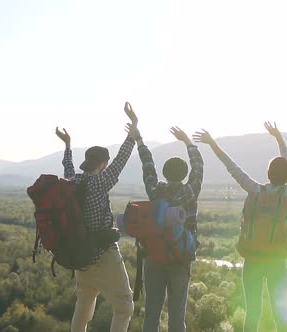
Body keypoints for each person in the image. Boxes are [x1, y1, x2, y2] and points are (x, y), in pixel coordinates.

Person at [193, 122, 287, 332]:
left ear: (268, 173)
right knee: (281, 315)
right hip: (277, 260)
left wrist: (212, 143)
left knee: (253, 313)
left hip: (252, 259)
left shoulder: (255, 190)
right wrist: (278, 137)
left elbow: (232, 168)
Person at [57, 102, 140, 332]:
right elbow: (122, 159)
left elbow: (68, 169)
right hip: (104, 253)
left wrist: (68, 145)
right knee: (124, 307)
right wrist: (134, 127)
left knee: (83, 307)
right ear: (102, 164)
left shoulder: (73, 182)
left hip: (80, 256)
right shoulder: (100, 182)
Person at [128, 115, 203, 332]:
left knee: (152, 313)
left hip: (154, 255)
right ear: (185, 174)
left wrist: (139, 139)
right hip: (181, 258)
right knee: (177, 317)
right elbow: (199, 167)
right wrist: (188, 142)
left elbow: (147, 165)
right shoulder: (190, 191)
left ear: (164, 174)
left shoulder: (155, 190)